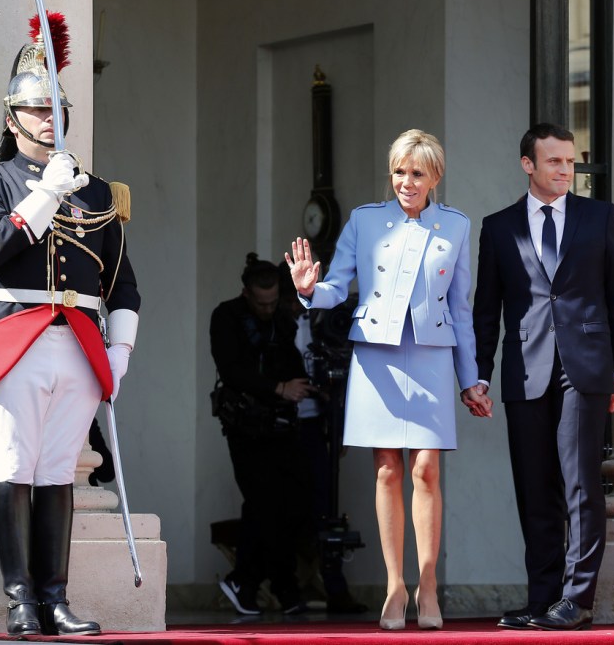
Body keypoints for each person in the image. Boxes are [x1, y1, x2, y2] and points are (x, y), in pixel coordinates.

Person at [0, 14, 140, 637]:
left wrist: (122, 347)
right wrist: (46, 194)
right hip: (17, 338)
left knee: (58, 471)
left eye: (57, 110)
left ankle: (54, 598)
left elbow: (121, 282)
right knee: (15, 467)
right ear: (12, 118)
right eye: (37, 109)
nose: (50, 120)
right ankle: (19, 601)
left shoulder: (99, 192)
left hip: (81, 344)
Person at [285, 129, 491, 631]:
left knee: (426, 471)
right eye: (399, 171)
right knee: (385, 471)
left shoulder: (457, 227)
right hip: (376, 356)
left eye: (416, 173)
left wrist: (473, 379)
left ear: (434, 177)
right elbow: (338, 286)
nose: (405, 181)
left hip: (432, 359)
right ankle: (394, 587)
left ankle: (428, 584)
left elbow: (461, 311)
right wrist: (310, 290)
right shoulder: (364, 220)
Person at [472, 122, 614, 631]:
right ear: (528, 165)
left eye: (570, 162)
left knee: (582, 484)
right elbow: (486, 309)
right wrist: (477, 375)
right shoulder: (498, 227)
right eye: (555, 162)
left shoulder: (599, 216)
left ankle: (577, 598)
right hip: (525, 370)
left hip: (586, 368)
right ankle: (542, 599)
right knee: (534, 489)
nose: (566, 170)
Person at [209, 254, 316, 617]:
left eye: (273, 302)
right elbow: (232, 370)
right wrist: (278, 387)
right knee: (263, 502)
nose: (268, 308)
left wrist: (308, 388)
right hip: (246, 426)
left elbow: (290, 359)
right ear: (246, 293)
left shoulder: (281, 319)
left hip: (282, 426)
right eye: (261, 302)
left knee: (287, 505)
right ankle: (261, 583)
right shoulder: (226, 317)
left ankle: (263, 584)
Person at [278, 274, 366, 614]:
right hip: (281, 422)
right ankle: (289, 588)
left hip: (317, 421)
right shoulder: (276, 323)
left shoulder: (323, 320)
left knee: (325, 503)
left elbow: (338, 366)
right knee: (286, 505)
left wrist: (340, 423)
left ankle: (335, 587)